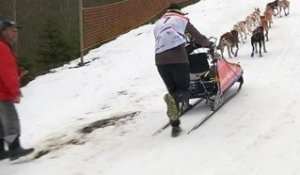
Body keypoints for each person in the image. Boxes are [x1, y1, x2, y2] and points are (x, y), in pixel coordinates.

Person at [153, 3, 213, 128]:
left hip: (160, 61)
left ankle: (174, 118)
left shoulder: (158, 23)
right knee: (184, 90)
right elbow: (197, 37)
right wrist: (208, 44)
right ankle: (173, 101)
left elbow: (162, 41)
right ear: (179, 12)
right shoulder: (181, 20)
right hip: (178, 59)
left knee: (173, 91)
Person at [0, 20, 34, 161]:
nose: (15, 33)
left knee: (1, 121)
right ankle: (14, 148)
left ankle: (1, 151)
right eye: (12, 30)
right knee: (10, 120)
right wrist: (15, 92)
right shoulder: (2, 47)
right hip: (2, 92)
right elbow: (6, 72)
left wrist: (18, 71)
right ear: (3, 32)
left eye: (16, 30)